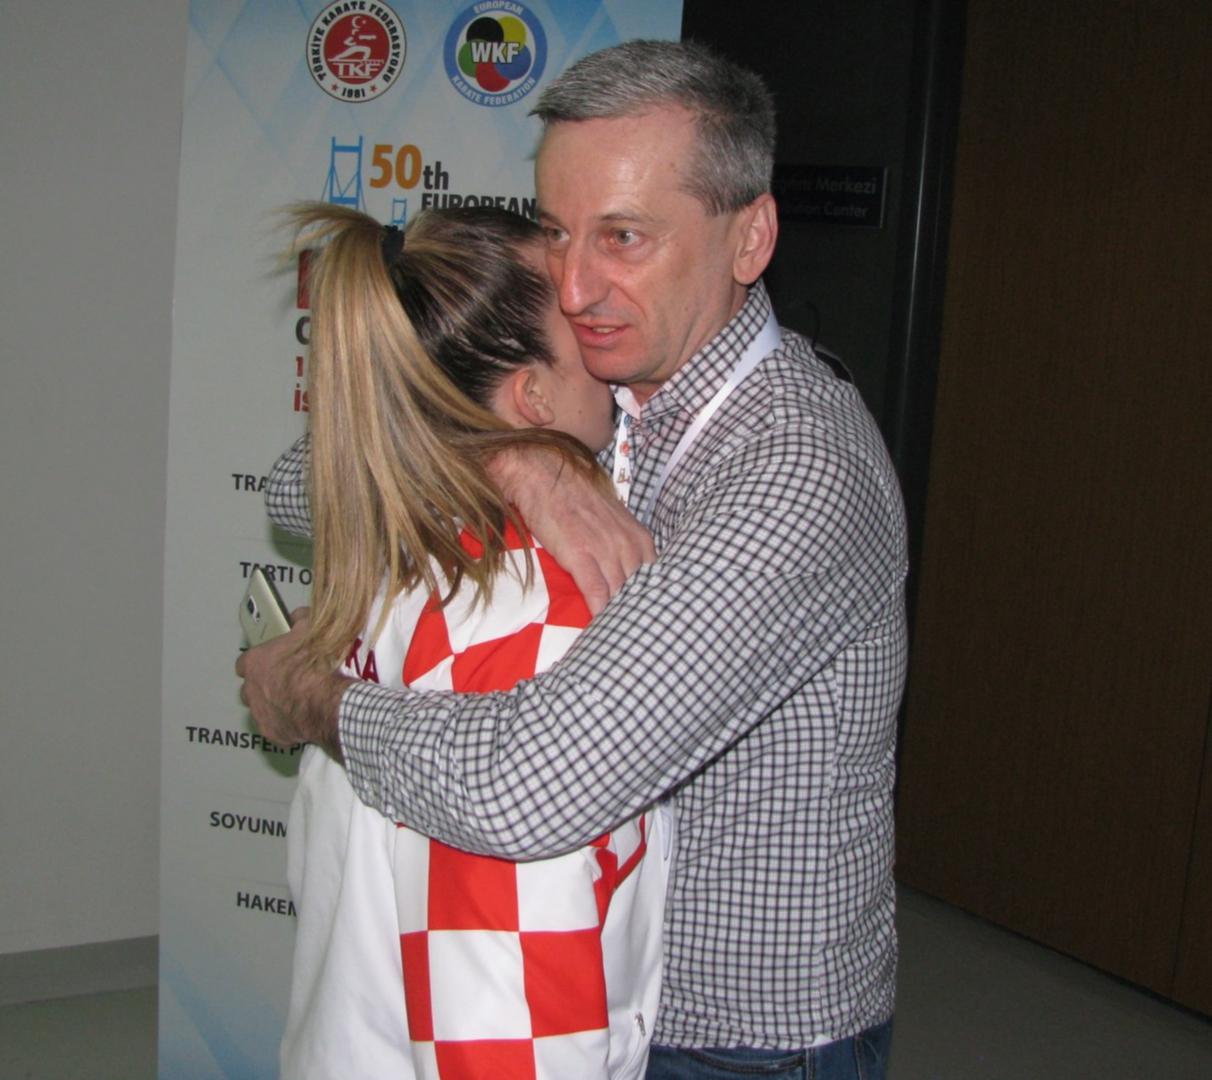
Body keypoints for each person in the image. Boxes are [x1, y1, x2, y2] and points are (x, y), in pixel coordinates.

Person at [239, 39, 908, 1078]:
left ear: (750, 237)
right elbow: (303, 482)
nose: (578, 285)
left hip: (734, 1039)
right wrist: (513, 456)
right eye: (556, 231)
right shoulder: (610, 384)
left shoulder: (797, 471)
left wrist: (315, 698)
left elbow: (529, 785)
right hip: (588, 987)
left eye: (625, 236)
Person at [272, 202, 670, 1080]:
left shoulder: (385, 544)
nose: (604, 340)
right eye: (577, 331)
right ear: (533, 396)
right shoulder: (543, 617)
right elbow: (508, 999)